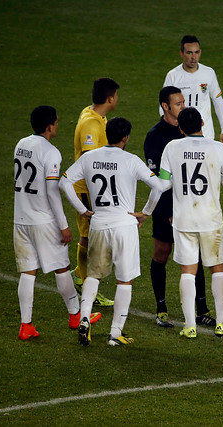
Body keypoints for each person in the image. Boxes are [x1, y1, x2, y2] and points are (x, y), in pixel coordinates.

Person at [59, 117, 166, 346]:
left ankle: (85, 318)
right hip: (124, 225)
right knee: (124, 281)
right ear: (126, 137)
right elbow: (158, 187)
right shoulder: (131, 160)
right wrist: (145, 212)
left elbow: (64, 182)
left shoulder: (90, 157)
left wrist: (83, 210)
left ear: (107, 134)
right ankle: (115, 334)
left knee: (93, 277)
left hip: (98, 224)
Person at [13, 105, 101, 340]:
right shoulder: (51, 152)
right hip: (43, 220)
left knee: (28, 272)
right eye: (57, 122)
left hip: (20, 219)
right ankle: (75, 315)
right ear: (50, 126)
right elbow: (53, 191)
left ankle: (26, 325)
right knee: (62, 267)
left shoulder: (20, 144)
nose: (58, 126)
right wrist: (63, 225)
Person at [158, 107, 223, 339]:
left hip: (184, 220)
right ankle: (221, 323)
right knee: (218, 269)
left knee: (187, 271)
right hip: (211, 219)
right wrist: (220, 179)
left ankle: (190, 326)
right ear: (203, 123)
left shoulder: (172, 147)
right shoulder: (218, 148)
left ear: (180, 127)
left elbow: (163, 184)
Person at [144, 86, 216, 328]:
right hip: (167, 208)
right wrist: (169, 212)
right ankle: (161, 308)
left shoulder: (189, 133)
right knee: (161, 253)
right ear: (165, 106)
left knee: (195, 255)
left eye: (184, 102)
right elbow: (159, 183)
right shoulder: (155, 137)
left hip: (191, 208)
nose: (182, 107)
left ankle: (202, 309)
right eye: (178, 103)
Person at [71, 77, 120, 307]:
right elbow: (90, 161)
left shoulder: (95, 115)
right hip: (88, 189)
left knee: (92, 236)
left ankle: (82, 277)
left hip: (94, 189)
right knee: (89, 236)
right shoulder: (91, 124)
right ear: (110, 98)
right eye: (116, 96)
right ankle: (82, 279)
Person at [163, 35, 223, 147]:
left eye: (196, 52)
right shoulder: (173, 76)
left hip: (205, 134)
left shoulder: (208, 73)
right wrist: (170, 127)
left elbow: (218, 101)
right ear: (181, 53)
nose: (193, 57)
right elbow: (163, 106)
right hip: (181, 134)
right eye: (189, 53)